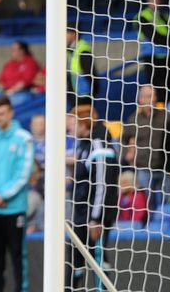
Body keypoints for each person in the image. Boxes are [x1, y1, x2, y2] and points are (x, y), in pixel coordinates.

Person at [65, 104, 119, 289]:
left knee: (98, 260)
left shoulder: (99, 144)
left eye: (72, 124)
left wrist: (96, 218)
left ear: (84, 124)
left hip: (94, 216)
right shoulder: (82, 145)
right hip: (81, 213)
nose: (68, 128)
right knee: (75, 261)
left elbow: (102, 185)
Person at [0, 96, 34, 292]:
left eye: (1, 114)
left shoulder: (23, 138)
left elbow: (23, 173)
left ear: (11, 113)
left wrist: (3, 195)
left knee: (17, 254)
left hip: (14, 207)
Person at [122, 84, 167, 206]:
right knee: (146, 203)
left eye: (154, 95)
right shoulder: (133, 119)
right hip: (143, 168)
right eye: (148, 96)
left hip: (163, 167)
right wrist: (129, 155)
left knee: (164, 204)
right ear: (140, 99)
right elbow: (124, 140)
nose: (152, 99)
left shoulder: (165, 116)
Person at [135, 0, 170, 102]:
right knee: (156, 86)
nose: (156, 2)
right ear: (148, 0)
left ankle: (168, 108)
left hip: (169, 56)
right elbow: (153, 36)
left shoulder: (165, 16)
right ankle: (158, 108)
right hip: (152, 57)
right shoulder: (142, 16)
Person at [66, 27, 94, 107]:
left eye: (66, 33)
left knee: (83, 112)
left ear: (74, 34)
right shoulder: (68, 49)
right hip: (73, 90)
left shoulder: (82, 49)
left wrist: (92, 90)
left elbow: (89, 72)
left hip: (82, 92)